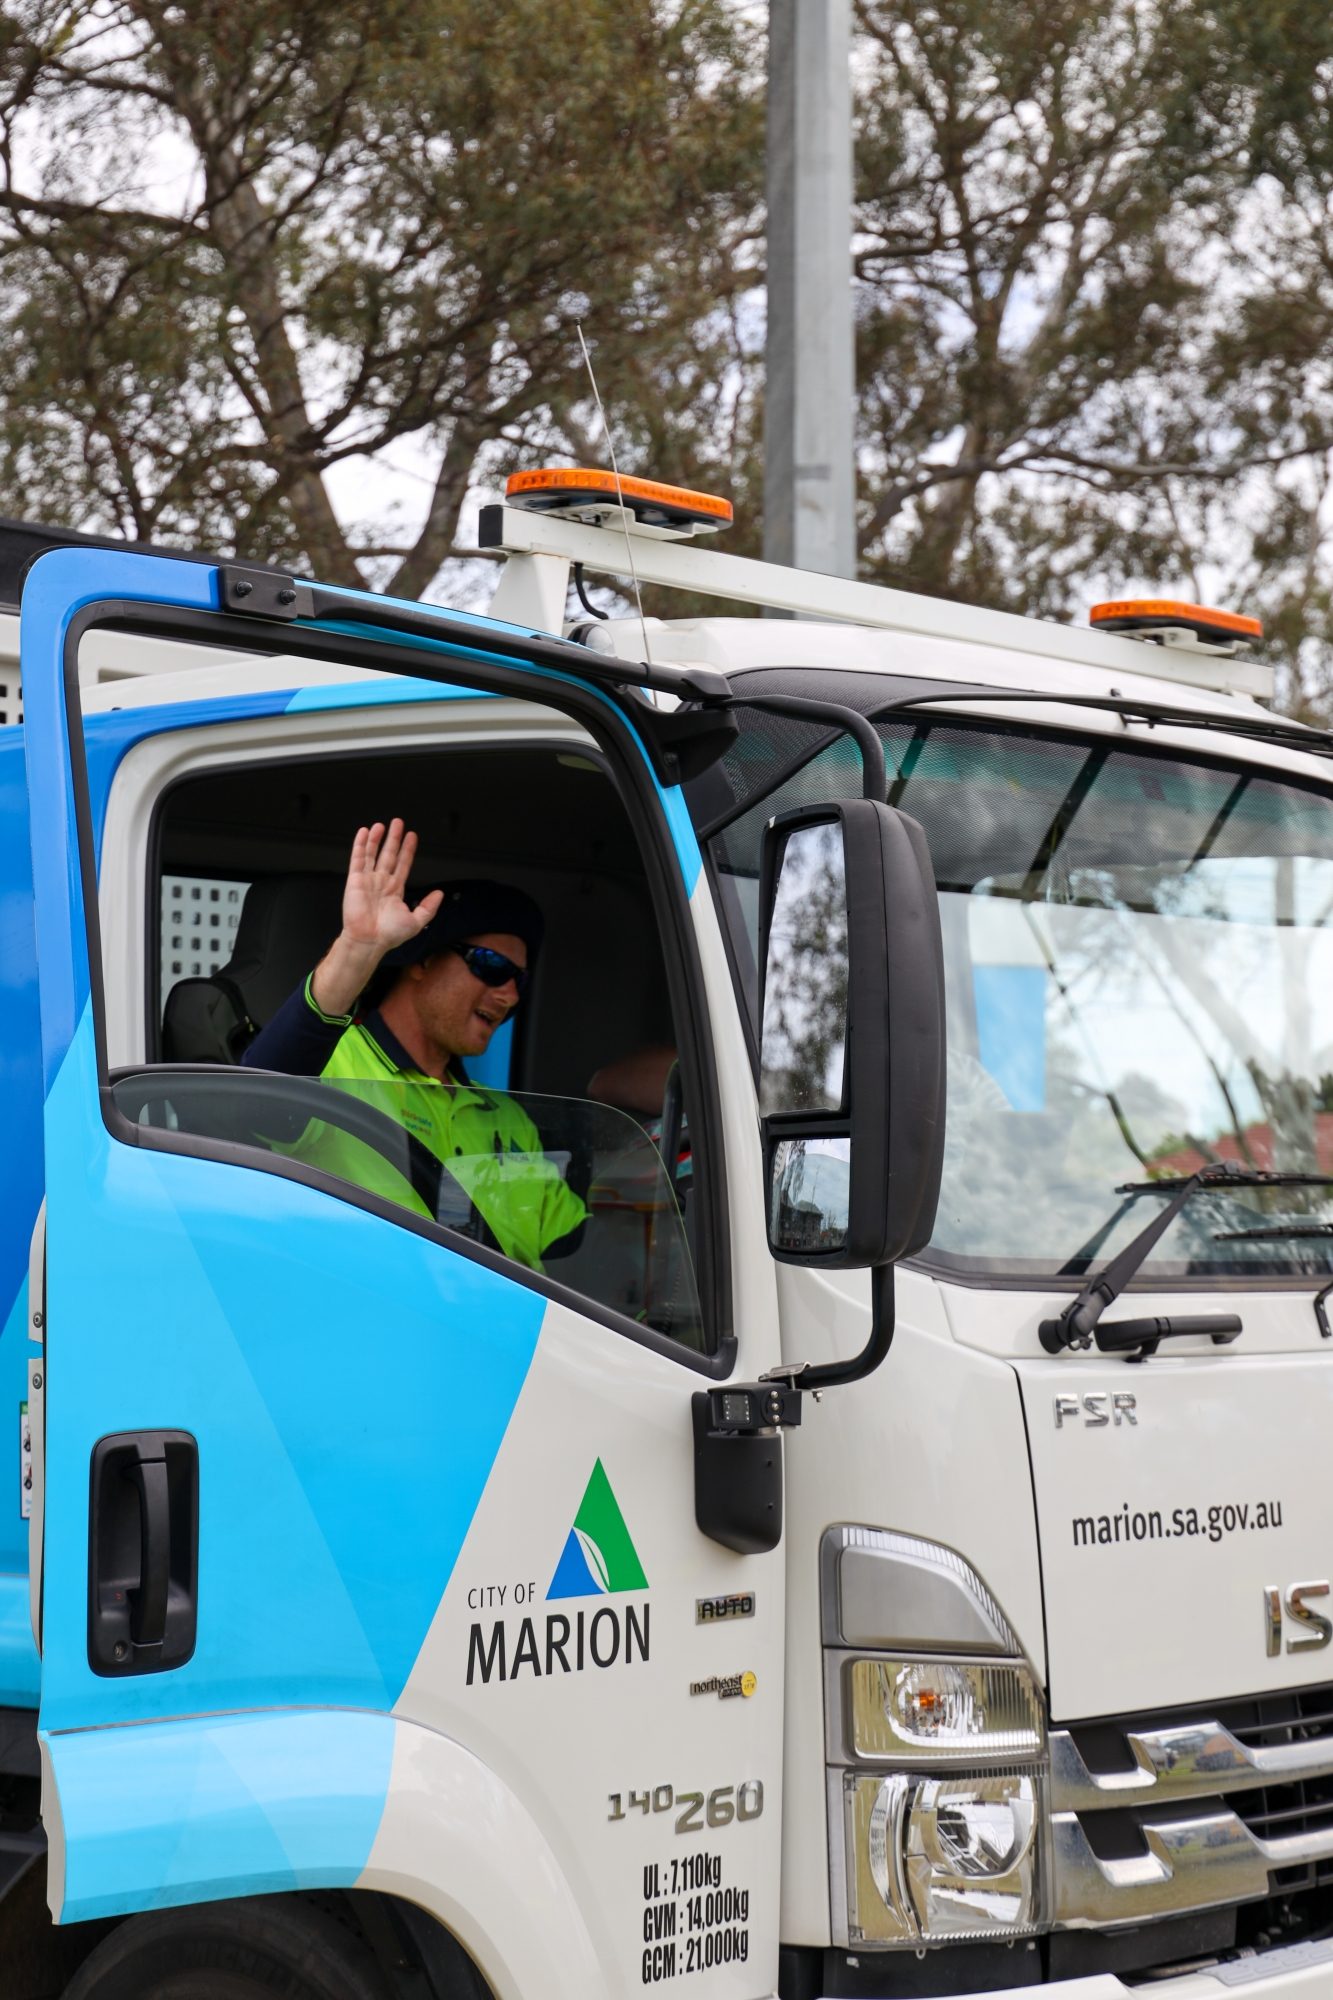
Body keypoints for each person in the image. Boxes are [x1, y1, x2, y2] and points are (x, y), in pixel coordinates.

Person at [243, 818, 586, 1271]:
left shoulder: (509, 1119)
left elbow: (581, 1251)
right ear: (421, 961)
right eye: (491, 966)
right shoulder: (335, 1063)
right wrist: (356, 951)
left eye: (519, 979)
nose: (510, 995)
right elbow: (257, 1104)